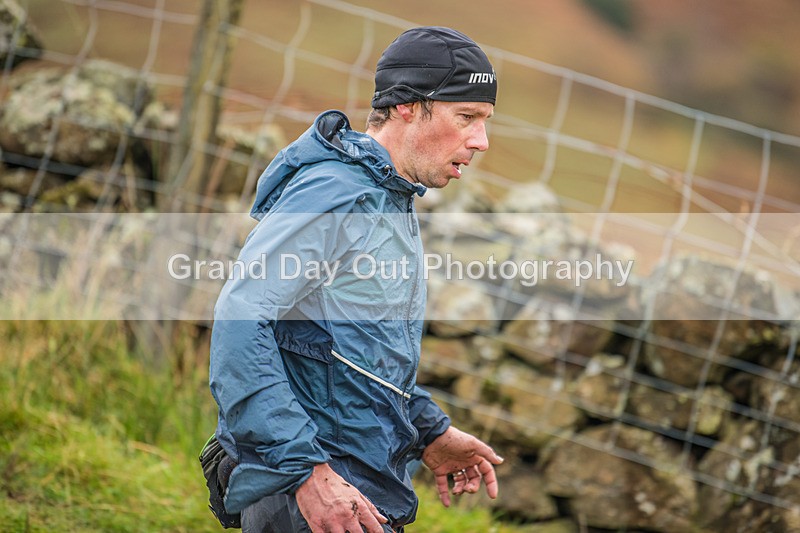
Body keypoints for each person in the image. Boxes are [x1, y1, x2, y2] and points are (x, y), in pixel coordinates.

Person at [208, 26, 502, 533]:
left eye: (484, 121)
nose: (481, 141)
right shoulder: (335, 193)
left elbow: (346, 348)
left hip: (352, 485)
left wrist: (427, 430)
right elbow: (241, 318)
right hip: (311, 494)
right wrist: (305, 472)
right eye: (467, 118)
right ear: (409, 106)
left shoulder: (387, 194)